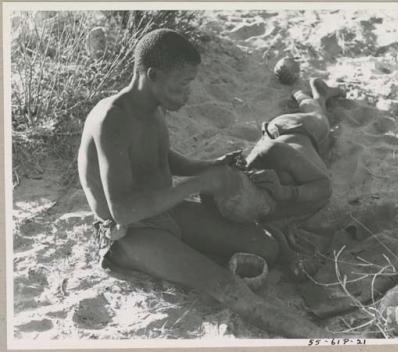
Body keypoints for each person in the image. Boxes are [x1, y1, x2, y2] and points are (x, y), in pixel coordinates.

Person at [78, 29, 328, 338]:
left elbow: (159, 159)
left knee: (264, 247)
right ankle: (324, 340)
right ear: (152, 75)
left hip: (164, 210)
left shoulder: (152, 106)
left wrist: (212, 165)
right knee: (223, 284)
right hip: (131, 233)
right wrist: (198, 184)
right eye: (183, 83)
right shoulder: (112, 121)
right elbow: (123, 211)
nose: (188, 93)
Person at [244, 78, 342, 221]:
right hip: (276, 130)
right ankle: (302, 95)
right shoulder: (245, 176)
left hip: (301, 127)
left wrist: (285, 193)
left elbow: (325, 188)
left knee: (319, 117)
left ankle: (310, 94)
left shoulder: (276, 153)